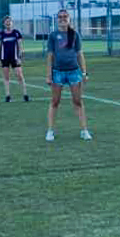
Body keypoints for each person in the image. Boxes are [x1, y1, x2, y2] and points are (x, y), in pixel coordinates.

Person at [45, 9, 92, 142]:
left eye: (65, 16)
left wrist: (84, 72)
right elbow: (50, 56)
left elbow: (80, 54)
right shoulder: (53, 35)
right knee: (55, 102)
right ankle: (50, 131)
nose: (62, 19)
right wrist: (48, 75)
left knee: (78, 101)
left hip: (74, 72)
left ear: (69, 18)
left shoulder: (75, 34)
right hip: (57, 72)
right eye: (60, 17)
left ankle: (84, 130)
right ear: (57, 19)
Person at [0, 16, 29, 102]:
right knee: (6, 76)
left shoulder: (16, 33)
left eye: (9, 21)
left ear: (12, 23)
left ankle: (25, 94)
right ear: (4, 23)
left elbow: (20, 46)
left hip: (15, 58)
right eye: (6, 22)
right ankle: (7, 96)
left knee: (19, 75)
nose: (8, 23)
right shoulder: (1, 34)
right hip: (4, 58)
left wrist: (19, 57)